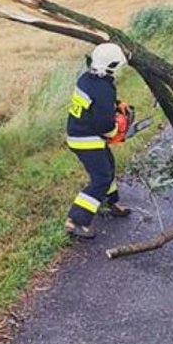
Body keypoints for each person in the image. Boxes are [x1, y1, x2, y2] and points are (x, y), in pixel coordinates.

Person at [64, 43, 132, 240]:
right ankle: (76, 221)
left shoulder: (88, 79)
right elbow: (105, 125)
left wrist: (117, 105)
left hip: (81, 132)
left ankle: (111, 202)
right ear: (111, 65)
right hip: (86, 139)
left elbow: (98, 105)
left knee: (108, 166)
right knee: (101, 178)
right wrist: (116, 131)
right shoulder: (103, 88)